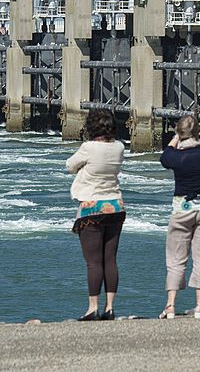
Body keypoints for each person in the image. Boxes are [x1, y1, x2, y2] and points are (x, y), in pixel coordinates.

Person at [158, 115, 200, 319]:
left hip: (182, 209)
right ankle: (199, 306)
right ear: (198, 132)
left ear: (180, 134)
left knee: (176, 259)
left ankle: (170, 306)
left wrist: (175, 138)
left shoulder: (176, 157)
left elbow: (164, 157)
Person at [65, 109, 126, 321]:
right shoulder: (119, 147)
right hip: (116, 206)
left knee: (93, 262)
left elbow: (70, 166)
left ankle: (93, 308)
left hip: (92, 206)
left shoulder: (88, 147)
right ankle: (110, 308)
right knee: (110, 259)